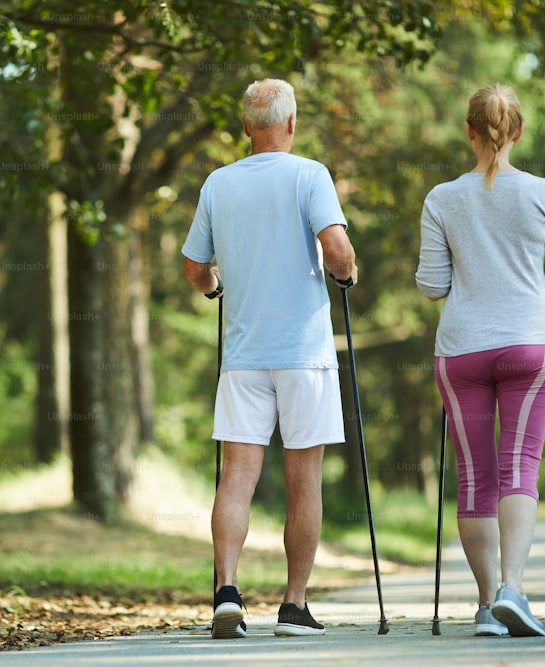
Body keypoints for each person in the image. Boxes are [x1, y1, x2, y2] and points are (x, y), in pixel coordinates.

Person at [182, 78, 358, 640]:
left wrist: (216, 290)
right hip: (304, 354)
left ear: (245, 127)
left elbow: (194, 269)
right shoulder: (310, 175)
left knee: (236, 475)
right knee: (304, 477)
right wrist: (347, 273)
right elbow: (336, 250)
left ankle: (227, 592)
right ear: (290, 123)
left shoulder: (218, 182)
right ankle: (294, 605)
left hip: (243, 354)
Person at [415, 83, 545, 638]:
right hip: (528, 348)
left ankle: (489, 603)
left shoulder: (442, 198)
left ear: (469, 132)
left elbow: (432, 286)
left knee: (475, 478)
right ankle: (514, 587)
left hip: (462, 351)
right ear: (518, 131)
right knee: (520, 471)